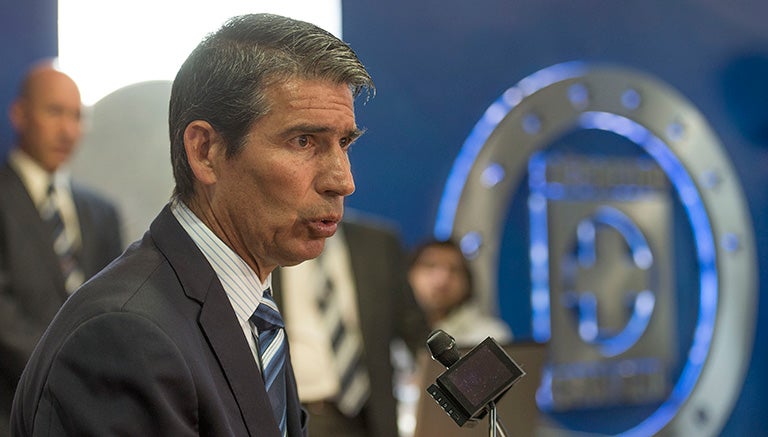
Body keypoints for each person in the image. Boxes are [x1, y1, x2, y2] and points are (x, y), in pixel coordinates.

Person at [11, 13, 374, 436]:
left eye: (344, 142)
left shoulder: (253, 310)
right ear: (205, 151)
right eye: (303, 141)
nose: (343, 181)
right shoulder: (125, 336)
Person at [0, 60, 123, 435]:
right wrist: (73, 377)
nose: (68, 130)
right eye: (54, 112)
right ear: (19, 114)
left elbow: (117, 306)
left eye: (77, 116)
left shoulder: (101, 211)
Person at [273, 211, 430, 437]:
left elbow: (415, 330)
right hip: (300, 412)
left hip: (372, 415)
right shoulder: (269, 244)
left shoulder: (378, 242)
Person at [408, 238, 512, 346]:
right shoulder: (393, 336)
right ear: (409, 275)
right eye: (430, 266)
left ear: (467, 282)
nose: (442, 279)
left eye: (454, 269)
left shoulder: (489, 338)